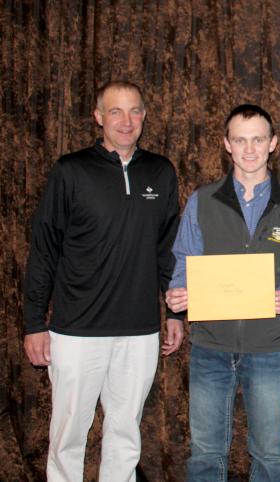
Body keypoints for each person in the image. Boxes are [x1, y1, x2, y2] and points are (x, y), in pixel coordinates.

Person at [23, 80, 182, 482]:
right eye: (115, 111)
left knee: (125, 434)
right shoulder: (70, 170)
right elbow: (44, 248)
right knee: (68, 435)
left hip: (139, 330)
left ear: (144, 116)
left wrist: (178, 313)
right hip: (76, 331)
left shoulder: (161, 172)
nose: (125, 121)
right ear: (98, 117)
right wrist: (34, 324)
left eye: (134, 111)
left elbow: (169, 251)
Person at [164, 104, 280, 481]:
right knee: (205, 452)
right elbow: (184, 258)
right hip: (210, 345)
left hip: (268, 344)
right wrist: (177, 294)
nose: (249, 149)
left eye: (258, 139)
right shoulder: (202, 200)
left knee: (269, 452)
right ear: (227, 145)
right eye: (240, 139)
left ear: (273, 144)